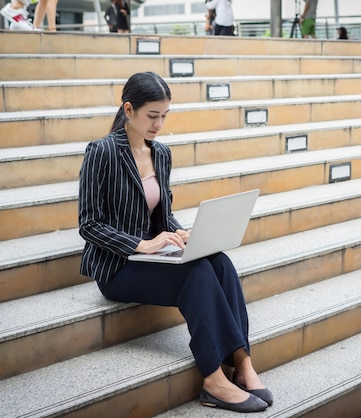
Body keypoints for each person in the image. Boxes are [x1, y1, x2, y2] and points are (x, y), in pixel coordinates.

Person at [78, 72, 273, 413]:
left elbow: (162, 216)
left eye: (164, 116)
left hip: (151, 258)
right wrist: (142, 245)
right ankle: (213, 380)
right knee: (196, 273)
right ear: (129, 110)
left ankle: (242, 363)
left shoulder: (161, 154)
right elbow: (89, 225)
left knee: (220, 262)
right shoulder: (103, 152)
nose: (159, 124)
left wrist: (182, 234)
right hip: (118, 266)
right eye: (152, 116)